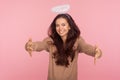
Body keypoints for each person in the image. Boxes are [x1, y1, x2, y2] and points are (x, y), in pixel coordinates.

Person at [25, 13, 102, 80]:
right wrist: (30, 46)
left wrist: (96, 52)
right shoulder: (50, 41)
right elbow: (40, 45)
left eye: (63, 25)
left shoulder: (77, 41)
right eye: (57, 25)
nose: (60, 28)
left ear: (69, 26)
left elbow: (86, 47)